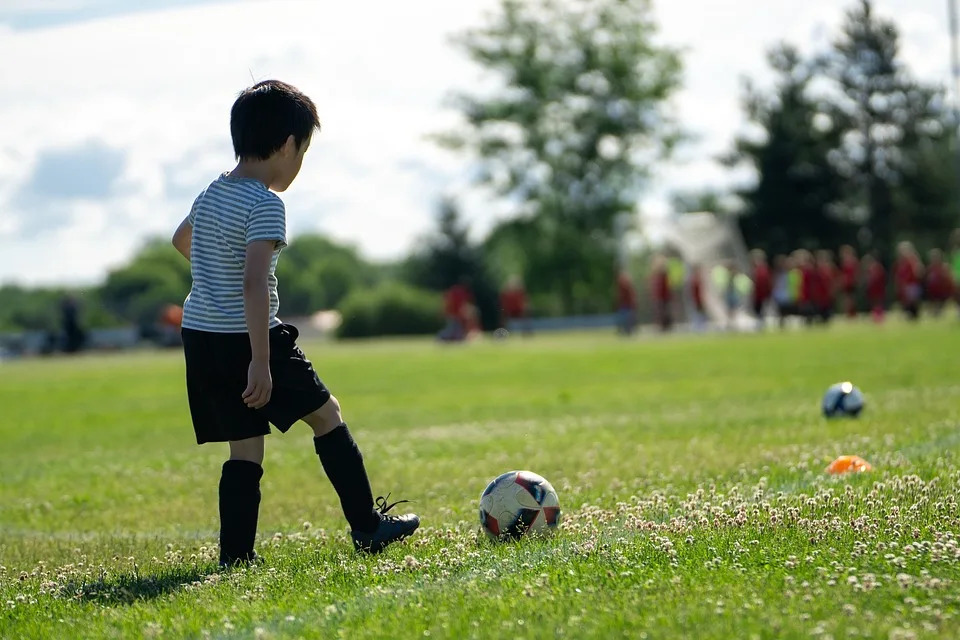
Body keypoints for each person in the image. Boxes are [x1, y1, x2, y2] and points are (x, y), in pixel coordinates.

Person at [170, 80, 419, 568]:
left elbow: (183, 239)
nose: (299, 164)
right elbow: (255, 284)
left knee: (245, 445)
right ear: (287, 145)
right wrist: (261, 360)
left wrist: (213, 280)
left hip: (201, 337)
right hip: (249, 340)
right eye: (302, 151)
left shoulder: (212, 193)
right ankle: (368, 528)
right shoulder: (265, 204)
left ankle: (237, 558)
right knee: (327, 415)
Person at [894, 241, 923, 321]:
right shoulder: (900, 262)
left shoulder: (912, 260)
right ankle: (909, 316)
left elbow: (918, 271)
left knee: (913, 302)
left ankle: (914, 317)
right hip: (905, 285)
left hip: (912, 284)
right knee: (906, 302)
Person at [439, 277, 474, 342]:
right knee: (453, 328)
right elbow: (464, 304)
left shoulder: (453, 289)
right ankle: (442, 337)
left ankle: (450, 338)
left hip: (452, 313)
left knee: (453, 327)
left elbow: (446, 300)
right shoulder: (462, 292)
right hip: (454, 313)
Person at [924, 248, 953, 317]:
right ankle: (935, 314)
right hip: (933, 290)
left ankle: (938, 313)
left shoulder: (944, 267)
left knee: (940, 303)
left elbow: (948, 278)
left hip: (942, 289)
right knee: (934, 303)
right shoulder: (930, 268)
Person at [749, 250, 772, 330]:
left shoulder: (761, 270)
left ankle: (761, 326)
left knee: (760, 311)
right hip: (758, 296)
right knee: (759, 311)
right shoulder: (757, 270)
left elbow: (765, 284)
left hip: (761, 296)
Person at [650, 255, 672, 332]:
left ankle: (666, 327)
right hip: (659, 297)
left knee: (665, 312)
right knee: (660, 313)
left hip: (664, 296)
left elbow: (667, 286)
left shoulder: (664, 274)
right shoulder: (655, 275)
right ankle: (662, 327)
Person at [864, 253, 887, 323]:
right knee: (874, 303)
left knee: (878, 303)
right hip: (873, 289)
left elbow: (879, 278)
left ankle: (879, 317)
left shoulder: (878, 268)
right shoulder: (871, 269)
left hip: (878, 288)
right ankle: (876, 317)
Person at [838, 245, 860, 318]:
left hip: (851, 283)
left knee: (851, 300)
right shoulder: (844, 262)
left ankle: (852, 314)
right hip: (846, 283)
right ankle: (849, 314)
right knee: (847, 300)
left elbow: (855, 272)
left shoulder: (853, 261)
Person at [615, 269, 638, 336]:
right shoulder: (621, 287)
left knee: (629, 319)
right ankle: (624, 330)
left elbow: (632, 296)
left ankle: (628, 330)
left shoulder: (629, 287)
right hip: (623, 306)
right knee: (623, 319)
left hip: (629, 306)